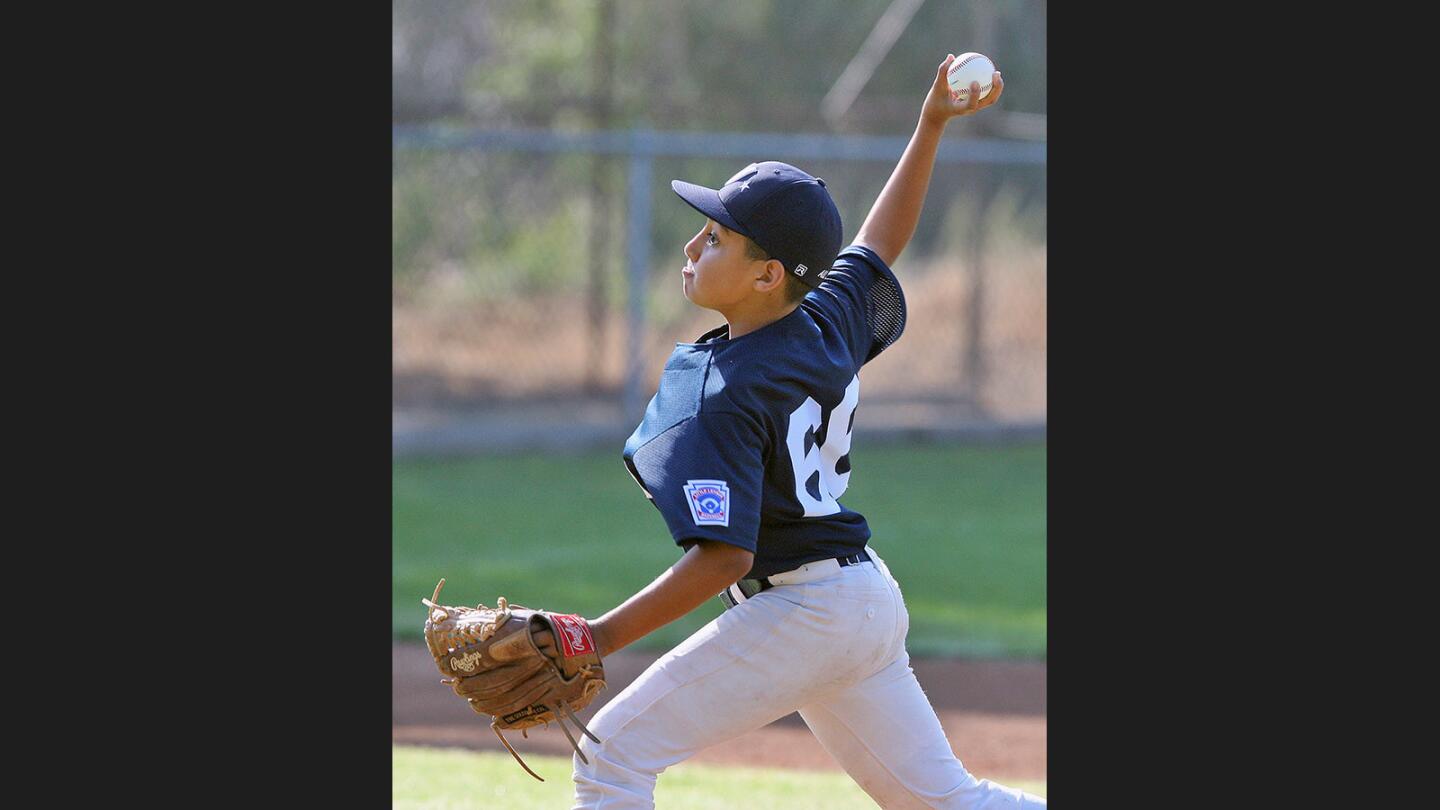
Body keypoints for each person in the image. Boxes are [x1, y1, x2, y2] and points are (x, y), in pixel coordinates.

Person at [538, 54, 1044, 809]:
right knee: (946, 801)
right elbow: (879, 244)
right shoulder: (822, 319)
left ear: (769, 273)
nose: (691, 248)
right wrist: (930, 123)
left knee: (611, 756)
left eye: (714, 237)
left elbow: (724, 557)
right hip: (860, 600)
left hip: (803, 610)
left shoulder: (725, 390)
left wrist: (601, 637)